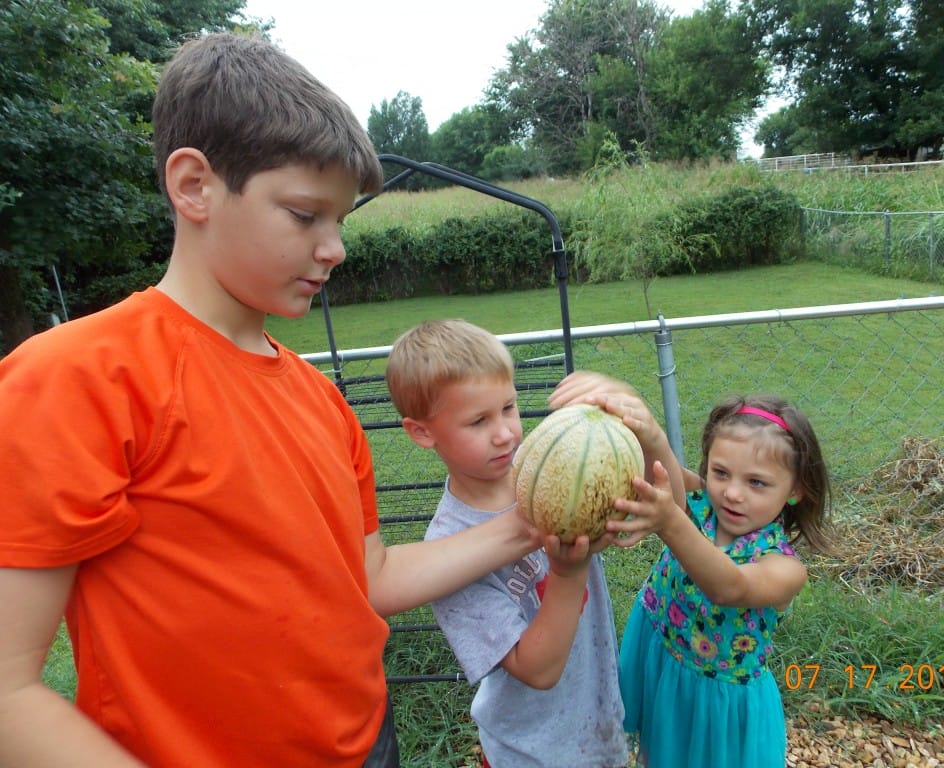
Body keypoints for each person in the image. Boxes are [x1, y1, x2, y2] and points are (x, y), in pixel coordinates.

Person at [0, 33, 542, 768]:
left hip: (366, 743)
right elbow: (10, 693)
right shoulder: (79, 376)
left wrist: (535, 527)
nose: (336, 248)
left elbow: (370, 581)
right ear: (193, 186)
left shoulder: (321, 401)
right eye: (304, 214)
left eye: (342, 220)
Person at [550, 372, 832, 768]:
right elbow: (660, 471)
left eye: (757, 482)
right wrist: (641, 421)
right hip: (660, 653)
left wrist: (670, 522)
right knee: (660, 750)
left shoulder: (783, 566)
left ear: (796, 490)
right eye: (721, 473)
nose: (732, 492)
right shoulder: (701, 502)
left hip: (716, 703)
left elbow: (728, 587)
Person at [385, 320, 630, 768]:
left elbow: (649, 508)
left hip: (599, 719)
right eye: (478, 421)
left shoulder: (551, 465)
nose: (505, 434)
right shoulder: (446, 554)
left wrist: (631, 422)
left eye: (509, 407)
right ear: (422, 432)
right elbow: (537, 670)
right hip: (531, 753)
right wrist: (568, 573)